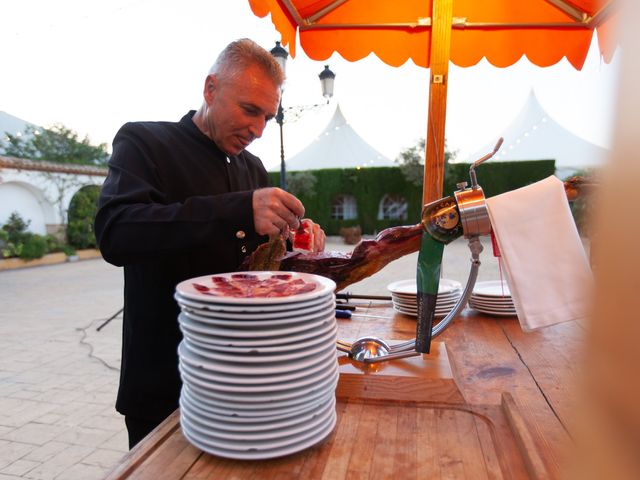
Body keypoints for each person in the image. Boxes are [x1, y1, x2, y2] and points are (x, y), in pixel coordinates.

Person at [94, 38, 325, 449]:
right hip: (166, 382)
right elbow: (115, 232)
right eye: (249, 110)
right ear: (210, 89)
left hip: (246, 381)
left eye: (268, 118)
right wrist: (237, 212)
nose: (257, 130)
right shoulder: (145, 143)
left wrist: (293, 241)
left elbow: (259, 269)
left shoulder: (253, 168)